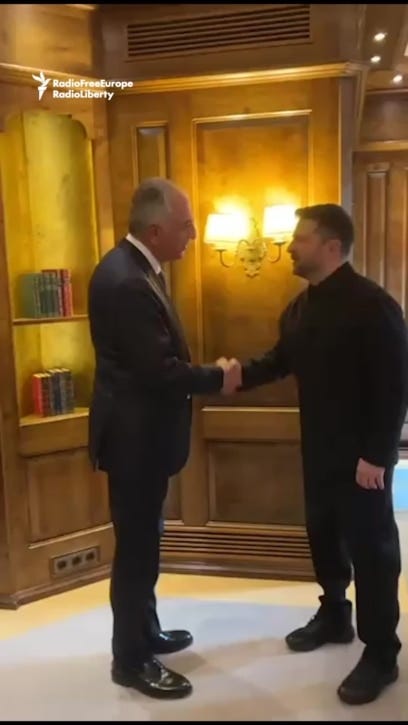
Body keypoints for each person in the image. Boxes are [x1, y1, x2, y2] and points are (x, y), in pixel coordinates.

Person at [222, 204, 408, 705]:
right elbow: (279, 360)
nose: (290, 246)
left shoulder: (374, 305)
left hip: (363, 461)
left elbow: (395, 387)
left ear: (331, 246)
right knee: (323, 534)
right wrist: (233, 376)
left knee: (373, 552)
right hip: (318, 452)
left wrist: (377, 456)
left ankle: (381, 653)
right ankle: (334, 615)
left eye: (300, 238)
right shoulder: (300, 308)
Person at [87, 177, 236, 700]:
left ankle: (145, 632)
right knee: (136, 553)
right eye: (185, 226)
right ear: (155, 230)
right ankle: (130, 660)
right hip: (134, 443)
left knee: (144, 544)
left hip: (142, 439)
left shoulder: (137, 269)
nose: (193, 234)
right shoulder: (127, 281)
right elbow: (159, 371)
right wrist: (218, 377)